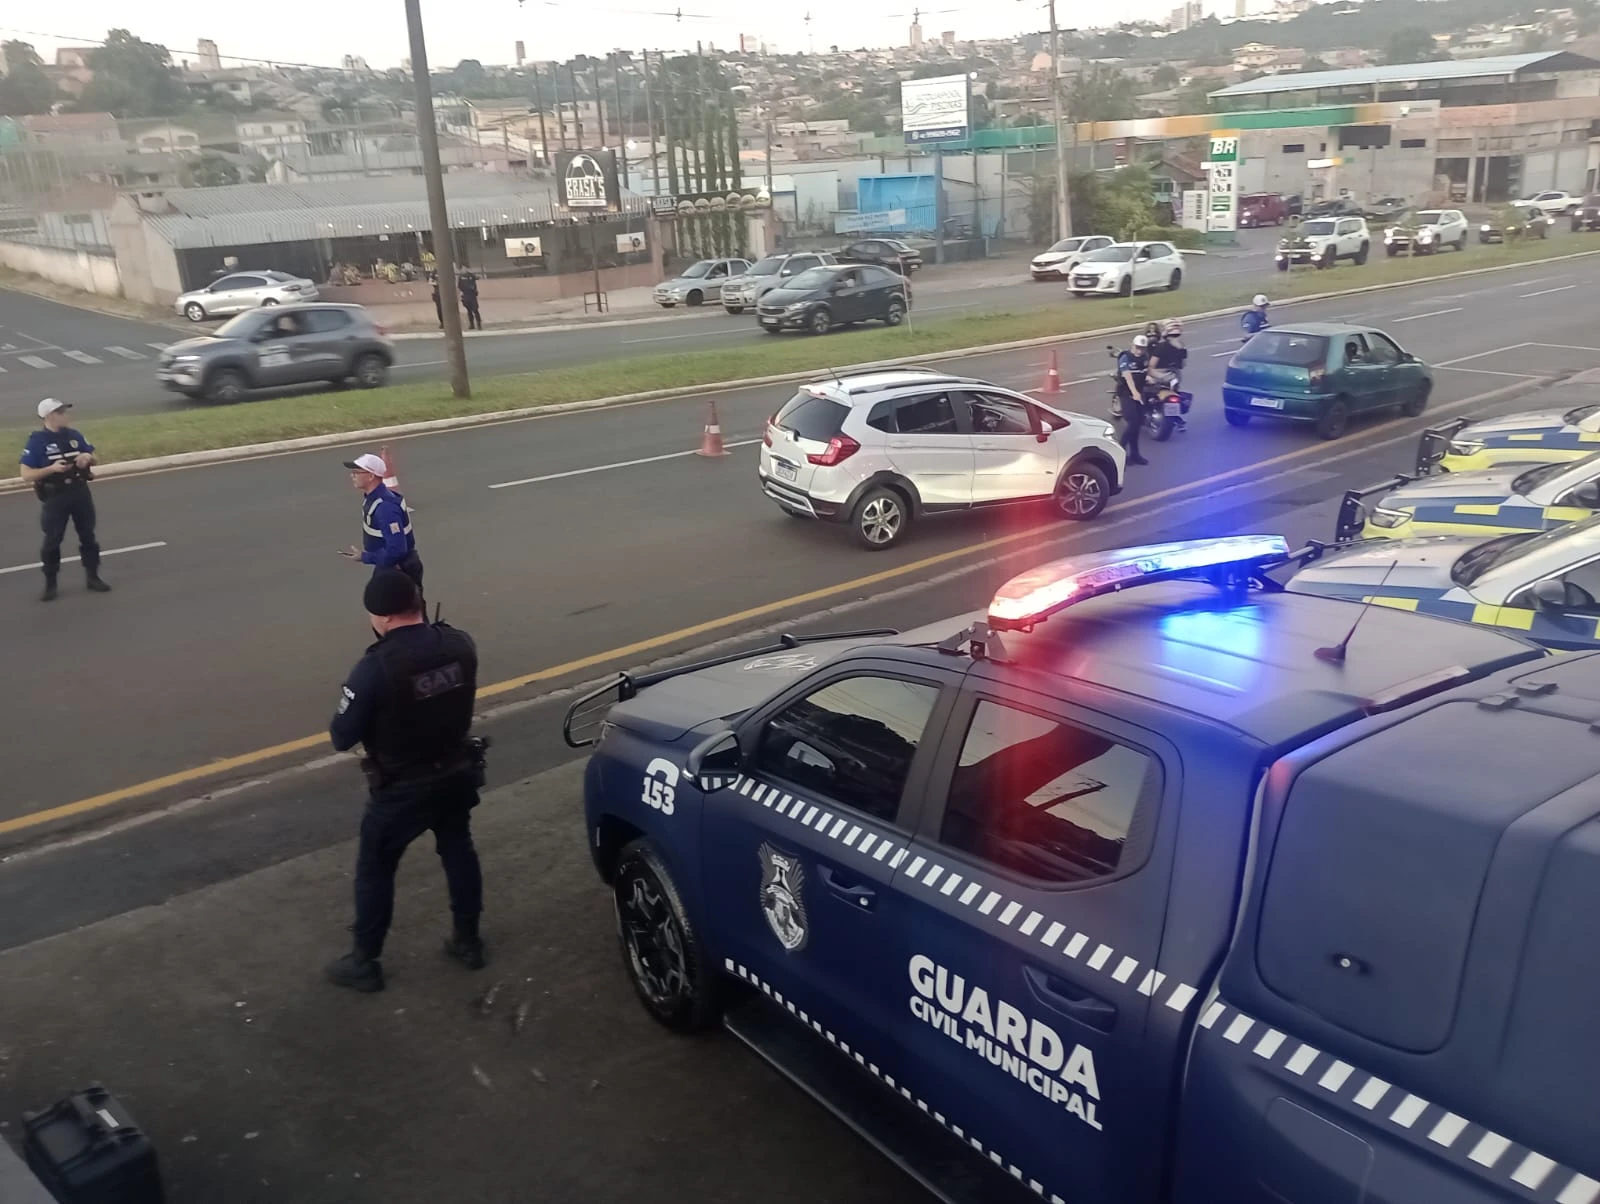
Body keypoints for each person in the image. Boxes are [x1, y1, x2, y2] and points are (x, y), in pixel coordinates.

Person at [325, 569, 486, 992]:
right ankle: (468, 941)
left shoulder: (374, 668)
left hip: (401, 788)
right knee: (459, 851)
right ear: (417, 604)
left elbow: (341, 736)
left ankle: (365, 960)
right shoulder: (460, 644)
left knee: (375, 868)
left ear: (381, 617)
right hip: (455, 773)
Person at [19, 399, 108, 602]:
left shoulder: (74, 435)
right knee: (52, 540)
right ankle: (50, 583)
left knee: (88, 536)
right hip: (55, 497)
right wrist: (51, 469)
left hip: (79, 492)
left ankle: (93, 577)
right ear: (50, 416)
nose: (66, 415)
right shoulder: (37, 440)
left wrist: (87, 458)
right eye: (61, 412)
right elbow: (26, 474)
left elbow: (93, 457)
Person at [340, 453, 424, 598]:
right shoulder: (374, 499)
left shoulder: (385, 507)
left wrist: (365, 557)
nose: (352, 475)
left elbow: (396, 550)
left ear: (371, 476)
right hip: (389, 565)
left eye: (356, 472)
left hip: (398, 570)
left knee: (398, 609)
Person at [1116, 335, 1152, 466]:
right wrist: (1134, 393)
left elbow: (1146, 371)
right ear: (1132, 346)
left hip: (1139, 393)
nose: (1139, 351)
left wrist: (1151, 378)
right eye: (1137, 348)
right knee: (1132, 422)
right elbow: (1127, 376)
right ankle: (1119, 452)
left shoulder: (1145, 357)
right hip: (1126, 394)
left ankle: (1135, 454)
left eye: (1142, 348)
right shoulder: (1125, 357)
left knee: (1138, 424)